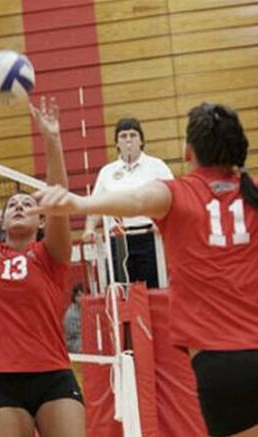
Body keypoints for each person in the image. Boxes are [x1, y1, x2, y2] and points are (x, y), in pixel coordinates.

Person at [31, 103, 258, 437]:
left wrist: (79, 205)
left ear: (187, 152)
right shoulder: (252, 194)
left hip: (218, 365)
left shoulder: (176, 193)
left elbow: (135, 201)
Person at [0, 96, 85, 437]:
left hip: (53, 374)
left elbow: (59, 194)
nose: (18, 206)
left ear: (42, 220)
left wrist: (51, 138)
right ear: (1, 218)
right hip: (1, 382)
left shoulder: (51, 255)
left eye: (27, 203)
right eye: (12, 204)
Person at [84, 117, 173, 288]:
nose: (129, 140)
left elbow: (173, 198)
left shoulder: (157, 166)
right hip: (118, 240)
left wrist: (165, 222)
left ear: (141, 140)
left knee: (154, 290)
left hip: (150, 238)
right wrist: (89, 229)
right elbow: (95, 206)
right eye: (123, 136)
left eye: (133, 135)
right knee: (121, 295)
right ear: (117, 143)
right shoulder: (107, 172)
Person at [64, 284, 84, 353]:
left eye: (83, 295)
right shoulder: (71, 314)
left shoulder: (84, 309)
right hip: (74, 342)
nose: (82, 297)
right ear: (74, 297)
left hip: (81, 339)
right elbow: (73, 334)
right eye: (79, 296)